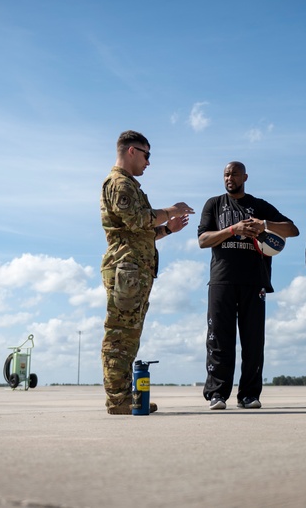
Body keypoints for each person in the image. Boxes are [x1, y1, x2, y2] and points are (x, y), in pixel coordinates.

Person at [100, 130, 194, 415]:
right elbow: (137, 219)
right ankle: (117, 400)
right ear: (131, 151)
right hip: (126, 270)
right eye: (146, 155)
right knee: (120, 335)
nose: (148, 163)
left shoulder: (129, 184)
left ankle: (123, 397)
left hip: (135, 270)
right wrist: (169, 210)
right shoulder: (120, 184)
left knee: (129, 335)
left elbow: (138, 233)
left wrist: (166, 229)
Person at [198, 162, 299, 410]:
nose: (229, 177)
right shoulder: (214, 204)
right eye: (225, 173)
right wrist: (234, 229)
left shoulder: (259, 205)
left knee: (253, 341)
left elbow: (292, 229)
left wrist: (264, 225)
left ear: (245, 176)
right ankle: (217, 394)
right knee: (219, 338)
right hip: (222, 279)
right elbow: (203, 240)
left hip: (255, 281)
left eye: (234, 173)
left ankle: (249, 395)